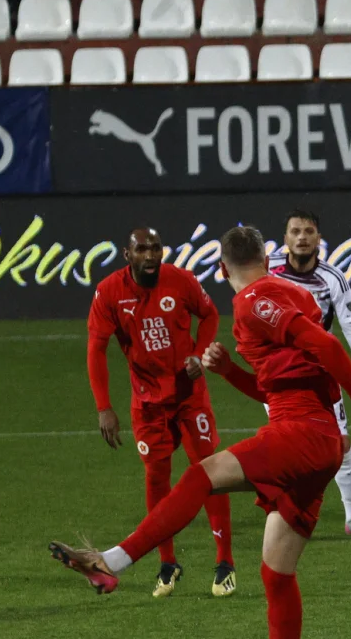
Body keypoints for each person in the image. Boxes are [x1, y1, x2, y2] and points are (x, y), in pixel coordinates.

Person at [51, 226, 351, 639]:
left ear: (220, 268)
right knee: (276, 574)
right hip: (319, 440)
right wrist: (229, 371)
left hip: (301, 434)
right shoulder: (297, 295)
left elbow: (327, 347)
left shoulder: (256, 302)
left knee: (200, 475)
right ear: (266, 256)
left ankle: (113, 561)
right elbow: (278, 388)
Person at [86, 227, 235, 598]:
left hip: (190, 397)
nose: (150, 255)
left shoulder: (181, 280)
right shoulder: (108, 292)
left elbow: (211, 315)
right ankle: (167, 563)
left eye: (155, 248)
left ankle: (225, 563)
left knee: (211, 473)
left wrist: (198, 353)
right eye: (142, 249)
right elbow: (96, 350)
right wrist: (104, 407)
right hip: (148, 403)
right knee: (157, 480)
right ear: (127, 254)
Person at [269, 210, 351, 537]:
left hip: (321, 376)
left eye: (309, 231)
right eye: (295, 231)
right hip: (277, 377)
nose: (302, 237)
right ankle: (285, 514)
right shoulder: (267, 270)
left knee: (340, 442)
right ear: (286, 238)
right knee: (284, 447)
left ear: (318, 239)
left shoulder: (333, 278)